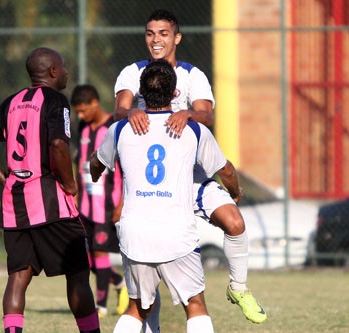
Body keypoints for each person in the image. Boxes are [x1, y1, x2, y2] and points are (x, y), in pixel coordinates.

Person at [113, 8, 266, 327]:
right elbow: (119, 109)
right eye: (150, 33)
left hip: (192, 176)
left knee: (235, 222)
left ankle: (238, 288)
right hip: (155, 181)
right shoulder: (132, 71)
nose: (156, 40)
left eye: (163, 33)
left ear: (176, 38)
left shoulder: (192, 75)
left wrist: (189, 115)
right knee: (148, 288)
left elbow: (206, 116)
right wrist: (129, 114)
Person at [0, 47, 100, 333]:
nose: (66, 71)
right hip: (51, 202)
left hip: (15, 204)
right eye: (63, 66)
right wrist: (70, 184)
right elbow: (57, 146)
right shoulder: (57, 101)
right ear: (52, 71)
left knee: (18, 276)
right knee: (78, 273)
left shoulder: (12, 102)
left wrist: (5, 179)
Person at [91, 59, 215, 333]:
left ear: (141, 94)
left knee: (136, 307)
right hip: (176, 233)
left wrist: (96, 171)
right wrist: (235, 190)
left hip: (135, 233)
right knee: (194, 304)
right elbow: (224, 170)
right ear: (175, 94)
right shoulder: (193, 129)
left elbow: (96, 163)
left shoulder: (121, 128)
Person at [70, 84, 129, 318]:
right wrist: (74, 192)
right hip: (84, 203)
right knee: (87, 258)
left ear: (95, 102)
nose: (81, 116)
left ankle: (100, 307)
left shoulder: (113, 128)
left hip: (106, 205)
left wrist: (122, 202)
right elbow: (79, 160)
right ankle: (119, 283)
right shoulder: (82, 127)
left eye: (84, 110)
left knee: (100, 252)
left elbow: (125, 167)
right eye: (78, 112)